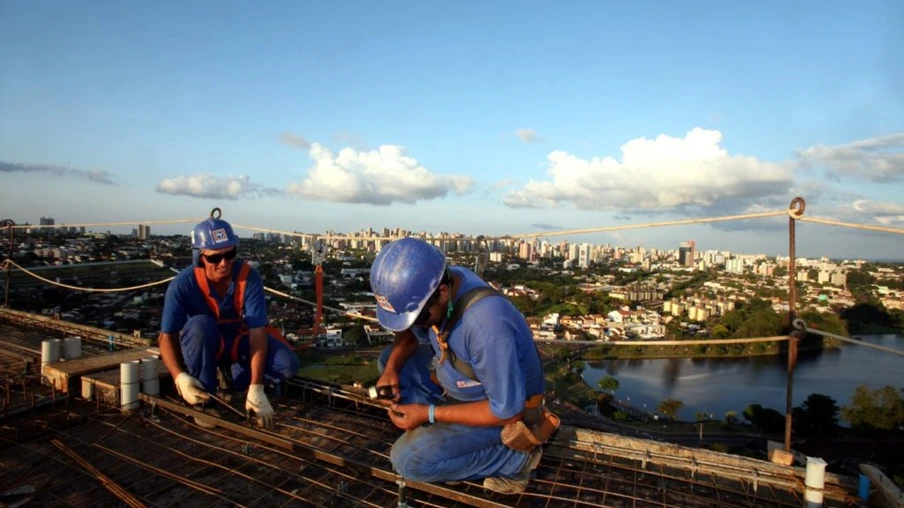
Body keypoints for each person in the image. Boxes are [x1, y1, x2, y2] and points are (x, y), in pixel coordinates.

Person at [370, 238, 553, 495]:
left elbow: (507, 412)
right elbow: (411, 333)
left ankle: (515, 459)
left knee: (407, 462)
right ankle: (448, 445)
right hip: (457, 384)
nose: (418, 324)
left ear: (442, 292)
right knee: (391, 360)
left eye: (420, 317)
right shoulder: (441, 281)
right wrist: (390, 370)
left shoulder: (487, 326)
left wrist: (428, 414)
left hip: (503, 410)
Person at [158, 216, 299, 428]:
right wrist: (179, 377)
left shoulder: (247, 277)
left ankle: (236, 384)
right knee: (199, 326)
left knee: (286, 363)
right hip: (204, 343)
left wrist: (256, 386)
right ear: (200, 257)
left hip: (236, 340)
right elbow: (166, 336)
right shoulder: (183, 285)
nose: (224, 263)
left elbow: (258, 332)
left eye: (230, 254)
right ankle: (205, 399)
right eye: (215, 258)